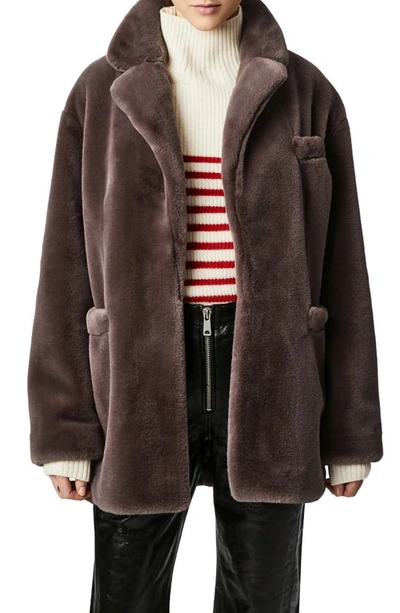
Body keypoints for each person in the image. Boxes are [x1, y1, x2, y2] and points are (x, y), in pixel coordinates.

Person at [27, 0, 384, 611]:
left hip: (273, 376)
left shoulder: (306, 90)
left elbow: (344, 267)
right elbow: (65, 267)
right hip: (138, 378)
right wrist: (65, 429)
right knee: (126, 594)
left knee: (263, 596)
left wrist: (349, 434)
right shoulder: (100, 91)